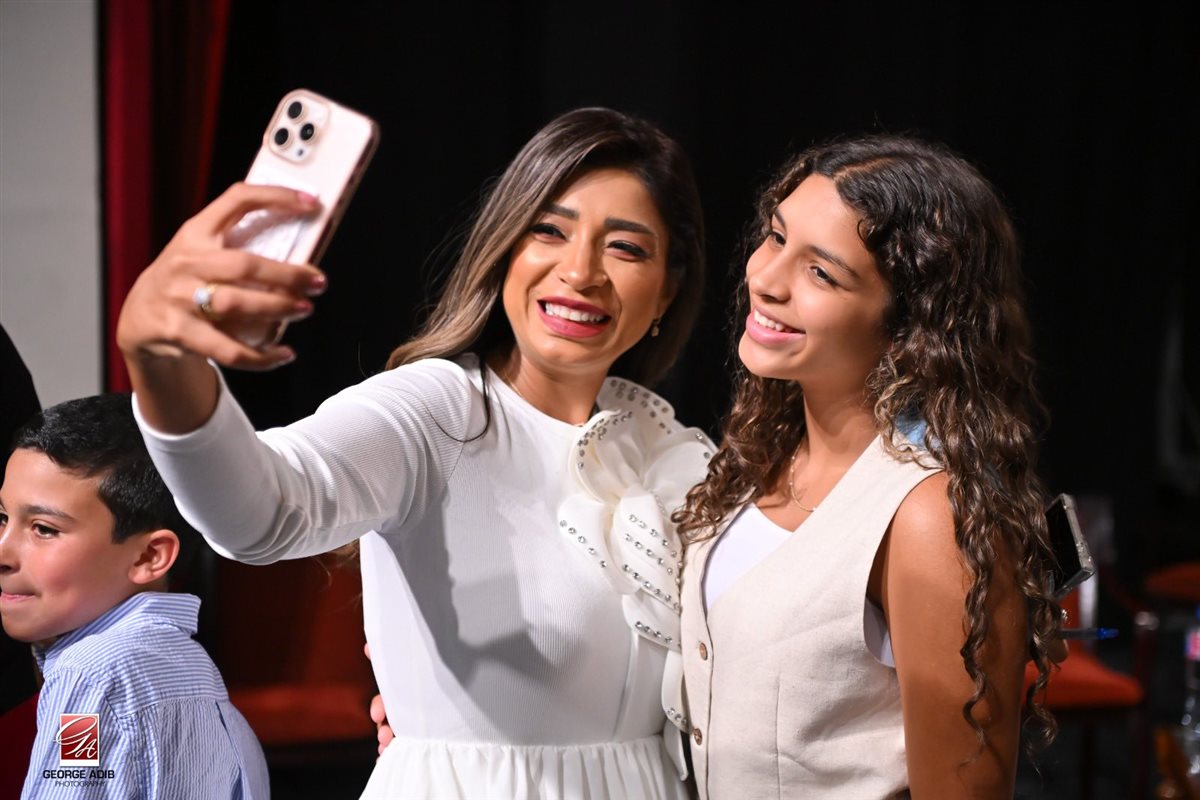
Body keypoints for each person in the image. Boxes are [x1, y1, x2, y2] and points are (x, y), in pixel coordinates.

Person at [116, 107, 712, 799]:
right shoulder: (437, 410)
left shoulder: (670, 451)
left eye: (626, 248)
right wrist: (161, 360)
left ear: (667, 289)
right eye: (548, 230)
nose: (580, 271)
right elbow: (261, 512)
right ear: (504, 248)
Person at [673, 134, 1061, 798]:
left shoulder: (929, 517)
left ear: (909, 322)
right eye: (776, 237)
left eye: (821, 273)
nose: (766, 279)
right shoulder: (765, 452)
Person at [0, 393, 269, 799]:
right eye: (2, 517)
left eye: (44, 529)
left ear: (149, 556)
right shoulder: (194, 671)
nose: (3, 553)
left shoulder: (90, 677)